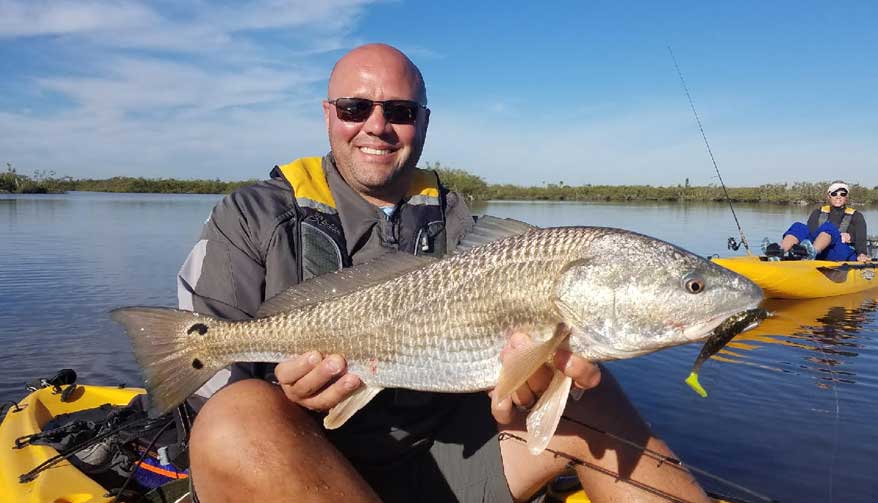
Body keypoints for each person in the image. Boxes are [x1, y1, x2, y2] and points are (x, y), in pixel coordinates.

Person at [179, 43, 710, 503]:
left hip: (454, 464)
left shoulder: (468, 233)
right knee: (235, 417)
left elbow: (500, 385)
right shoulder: (252, 217)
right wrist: (285, 395)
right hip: (302, 474)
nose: (377, 126)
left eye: (400, 110)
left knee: (593, 391)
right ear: (328, 115)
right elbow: (202, 374)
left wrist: (531, 384)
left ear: (425, 121)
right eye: (354, 107)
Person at [769, 181, 869, 262]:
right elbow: (810, 233)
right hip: (821, 250)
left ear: (846, 197)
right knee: (798, 226)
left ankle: (811, 253)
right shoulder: (817, 212)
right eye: (834, 194)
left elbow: (861, 239)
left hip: (841, 251)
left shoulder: (857, 216)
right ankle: (779, 251)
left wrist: (860, 251)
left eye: (842, 194)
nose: (838, 196)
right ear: (829, 196)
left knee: (829, 227)